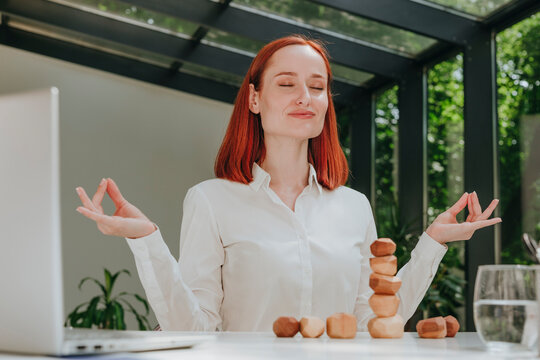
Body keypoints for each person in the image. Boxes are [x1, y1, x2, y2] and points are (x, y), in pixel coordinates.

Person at [75, 35, 501, 332]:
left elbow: (373, 323)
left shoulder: (354, 207)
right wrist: (147, 239)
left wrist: (432, 243)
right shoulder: (210, 200)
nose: (305, 97)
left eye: (317, 87)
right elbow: (196, 327)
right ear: (255, 99)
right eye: (287, 84)